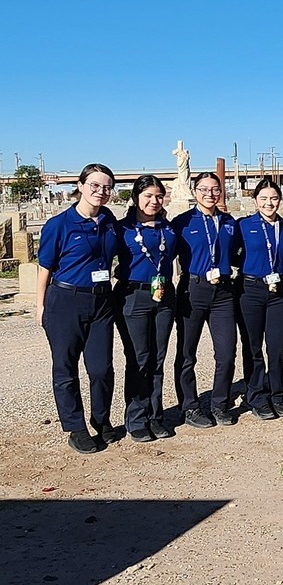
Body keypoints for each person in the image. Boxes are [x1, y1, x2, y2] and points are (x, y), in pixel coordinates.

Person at [36, 163, 120, 454]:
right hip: (65, 300)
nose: (101, 191)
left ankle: (101, 418)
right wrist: (40, 305)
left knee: (101, 368)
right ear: (81, 186)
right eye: (94, 185)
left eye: (107, 187)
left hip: (102, 301)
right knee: (66, 367)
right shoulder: (59, 224)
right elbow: (45, 268)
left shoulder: (108, 219)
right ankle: (75, 427)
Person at [172, 172, 240, 429]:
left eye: (215, 189)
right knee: (187, 352)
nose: (210, 194)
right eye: (204, 189)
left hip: (223, 291)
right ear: (194, 191)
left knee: (226, 352)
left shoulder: (229, 222)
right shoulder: (182, 222)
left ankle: (219, 403)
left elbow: (238, 253)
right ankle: (189, 406)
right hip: (193, 289)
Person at [114, 175, 178, 442]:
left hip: (163, 295)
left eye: (158, 196)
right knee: (139, 359)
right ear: (136, 198)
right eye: (148, 196)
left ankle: (155, 415)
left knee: (158, 359)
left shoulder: (169, 228)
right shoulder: (122, 228)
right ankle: (136, 418)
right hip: (134, 296)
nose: (154, 201)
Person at [237, 177, 283, 420]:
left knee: (278, 345)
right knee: (253, 346)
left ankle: (278, 394)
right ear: (255, 201)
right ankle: (256, 396)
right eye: (263, 198)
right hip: (250, 289)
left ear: (280, 200)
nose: (269, 203)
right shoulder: (243, 225)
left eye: (273, 198)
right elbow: (231, 254)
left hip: (278, 291)